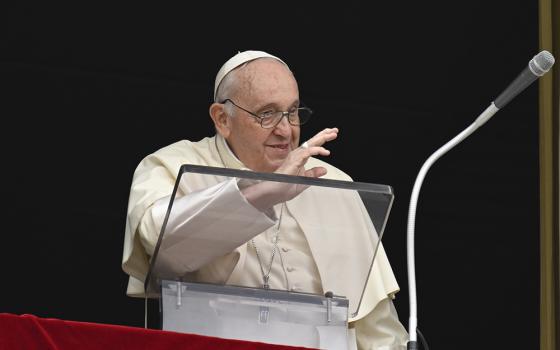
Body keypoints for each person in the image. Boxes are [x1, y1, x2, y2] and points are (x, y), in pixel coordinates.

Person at [122, 50, 408, 349]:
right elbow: (160, 240)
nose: (285, 130)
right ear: (222, 118)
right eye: (267, 114)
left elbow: (375, 324)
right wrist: (260, 194)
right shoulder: (169, 165)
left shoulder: (333, 183)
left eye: (293, 112)